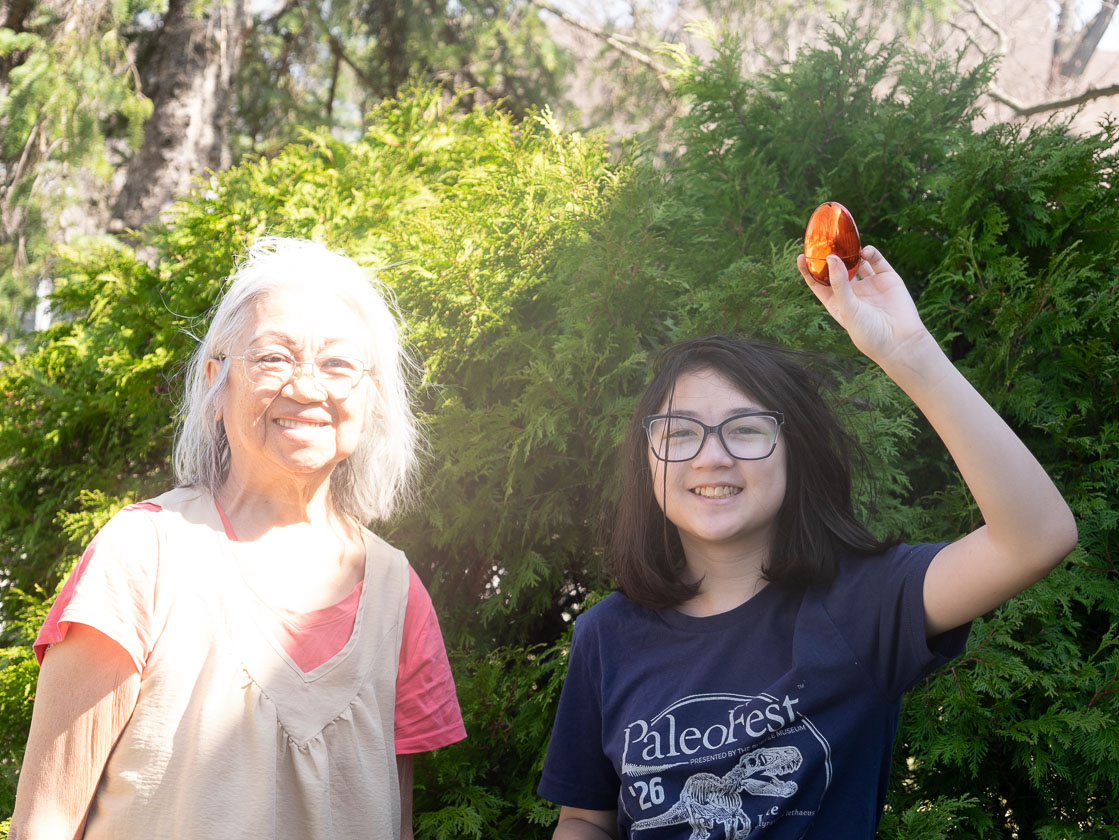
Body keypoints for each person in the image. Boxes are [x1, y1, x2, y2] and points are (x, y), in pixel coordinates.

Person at [537, 247, 1077, 839]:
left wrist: (909, 351)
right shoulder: (606, 636)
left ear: (795, 454)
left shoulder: (865, 604)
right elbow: (585, 819)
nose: (711, 456)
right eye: (680, 432)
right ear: (648, 462)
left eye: (746, 429)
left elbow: (1037, 538)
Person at [9, 237, 466, 840]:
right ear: (216, 384)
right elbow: (45, 821)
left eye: (337, 365)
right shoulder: (143, 556)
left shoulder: (398, 594)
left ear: (373, 397)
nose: (307, 387)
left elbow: (395, 825)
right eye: (273, 357)